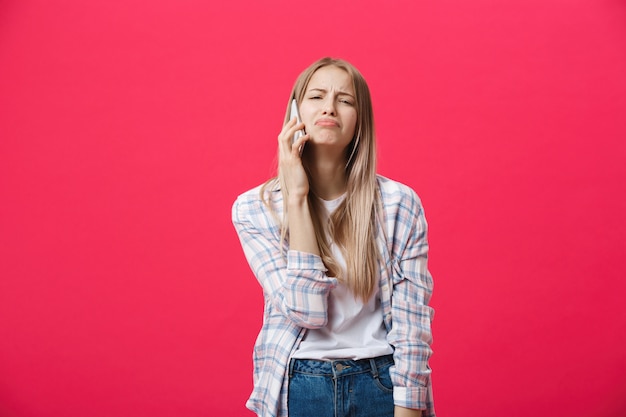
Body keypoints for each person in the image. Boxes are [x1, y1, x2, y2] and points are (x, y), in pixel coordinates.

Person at [232, 57, 435, 417]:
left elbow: (412, 321)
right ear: (295, 110)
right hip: (299, 387)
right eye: (317, 97)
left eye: (345, 100)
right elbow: (305, 311)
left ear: (360, 120)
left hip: (380, 382)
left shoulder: (398, 204)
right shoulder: (254, 208)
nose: (329, 107)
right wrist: (295, 197)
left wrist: (409, 406)